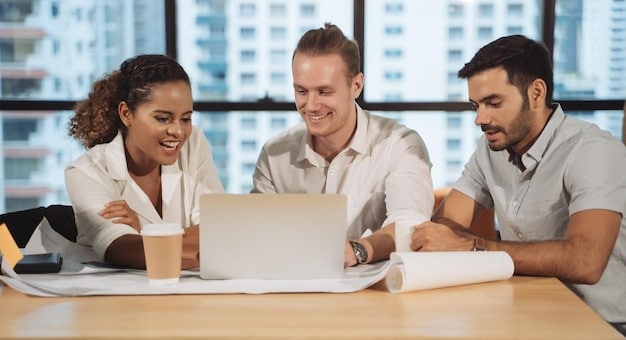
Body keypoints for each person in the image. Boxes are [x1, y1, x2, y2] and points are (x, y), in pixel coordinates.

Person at [410, 35, 626, 334]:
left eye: (494, 103)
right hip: (528, 312)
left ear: (536, 93)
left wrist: (474, 247)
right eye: (476, 105)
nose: (480, 118)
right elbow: (445, 225)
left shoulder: (593, 151)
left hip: (601, 324)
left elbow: (585, 262)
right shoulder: (491, 149)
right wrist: (455, 241)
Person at [251, 23, 434, 267]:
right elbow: (257, 233)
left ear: (356, 86)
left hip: (378, 292)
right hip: (296, 288)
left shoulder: (400, 144)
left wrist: (358, 250)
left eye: (324, 92)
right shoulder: (274, 154)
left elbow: (410, 226)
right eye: (301, 91)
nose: (311, 105)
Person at [65, 54, 224, 270]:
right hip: (116, 299)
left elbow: (220, 229)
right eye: (162, 118)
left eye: (185, 119)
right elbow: (120, 250)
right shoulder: (86, 172)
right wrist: (201, 245)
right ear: (126, 114)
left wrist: (144, 233)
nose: (178, 131)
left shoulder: (194, 143)